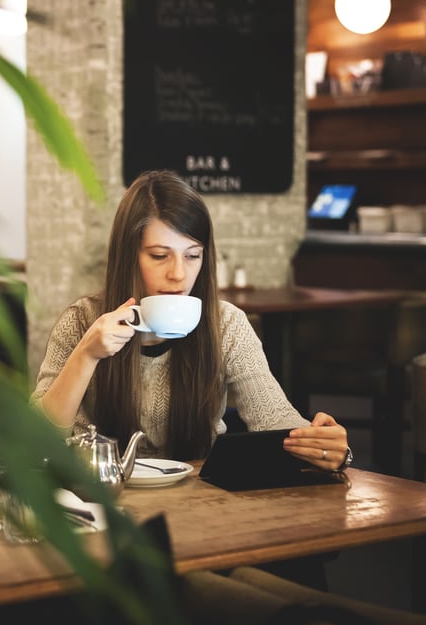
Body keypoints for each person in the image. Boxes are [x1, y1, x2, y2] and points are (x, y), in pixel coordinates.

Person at [32, 169, 351, 472]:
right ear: (128, 256)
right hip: (102, 502)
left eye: (192, 255)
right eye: (159, 256)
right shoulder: (81, 322)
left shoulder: (227, 325)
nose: (179, 274)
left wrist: (325, 446)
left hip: (200, 504)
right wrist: (86, 354)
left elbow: (275, 419)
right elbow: (34, 443)